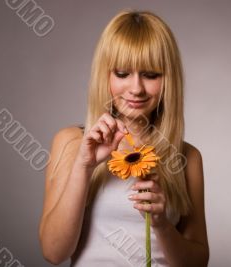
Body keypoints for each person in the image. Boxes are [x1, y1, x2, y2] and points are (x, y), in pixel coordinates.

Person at [38, 9, 209, 266]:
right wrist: (84, 167)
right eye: (122, 73)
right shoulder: (71, 142)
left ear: (169, 79)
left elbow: (197, 262)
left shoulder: (186, 157)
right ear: (104, 75)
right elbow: (54, 252)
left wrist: (162, 225)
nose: (136, 88)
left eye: (151, 74)